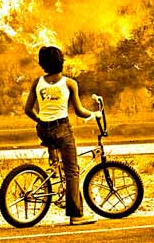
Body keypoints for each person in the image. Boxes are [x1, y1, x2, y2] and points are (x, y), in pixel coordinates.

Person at [23, 46, 100, 226]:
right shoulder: (69, 83)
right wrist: (94, 114)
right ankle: (76, 215)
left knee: (55, 151)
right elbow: (80, 111)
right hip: (62, 128)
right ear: (61, 62)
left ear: (42, 64)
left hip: (43, 129)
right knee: (72, 171)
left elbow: (28, 109)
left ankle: (53, 164)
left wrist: (40, 119)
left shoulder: (37, 82)